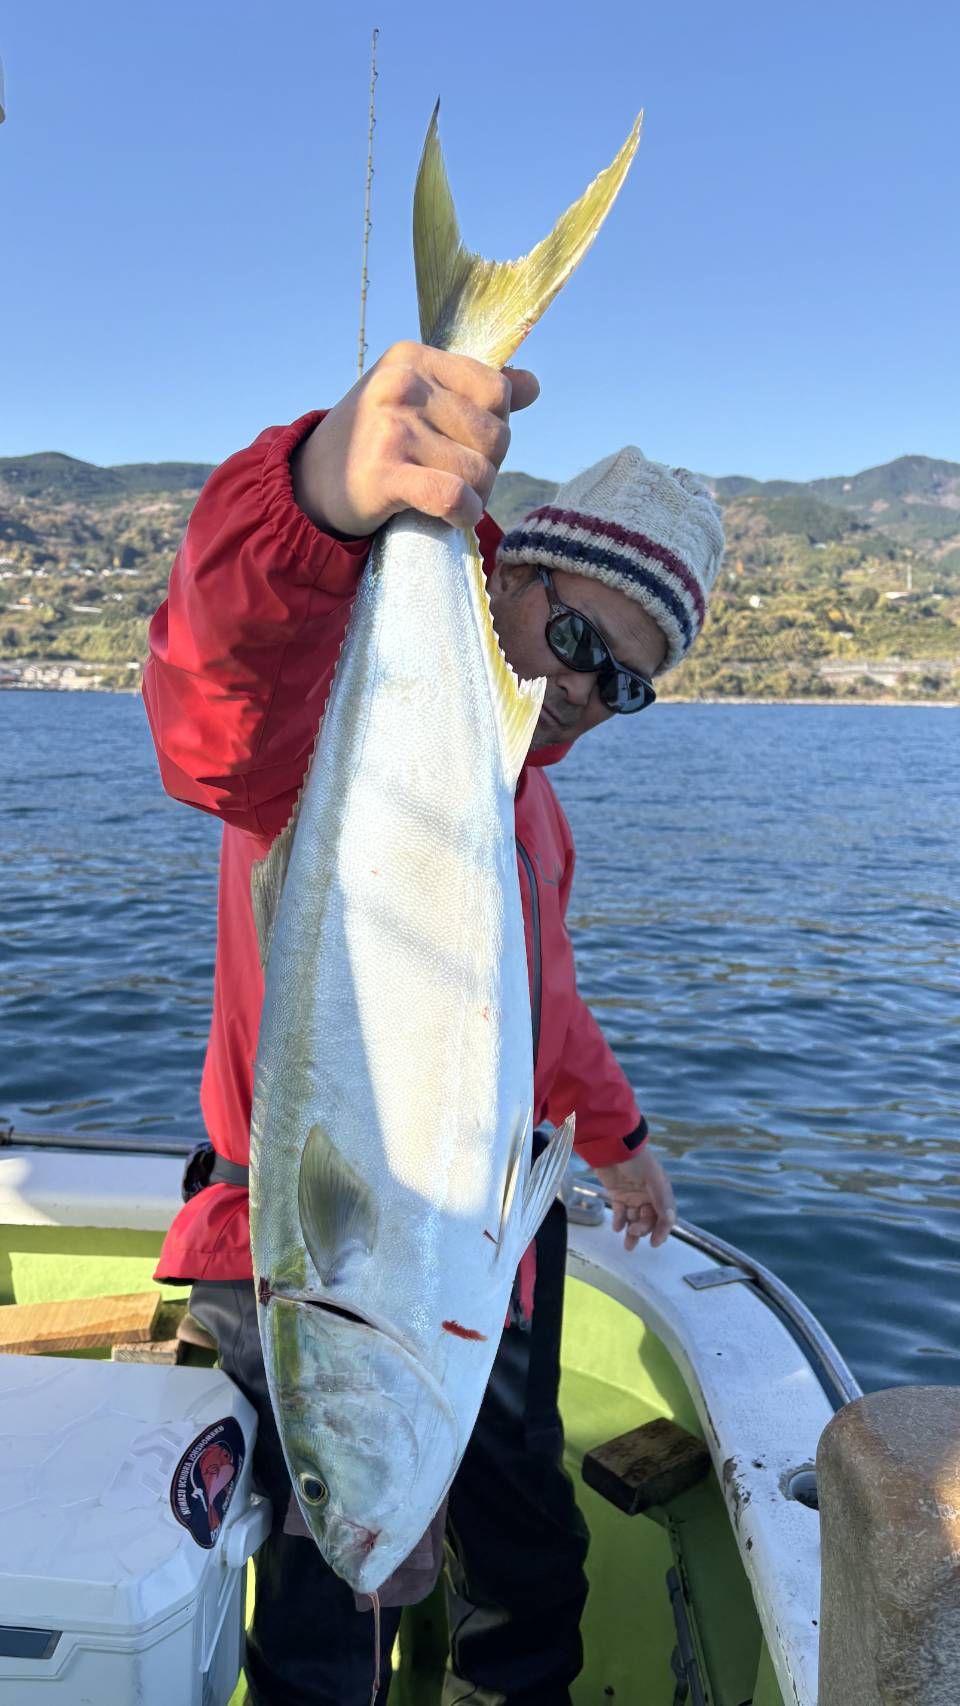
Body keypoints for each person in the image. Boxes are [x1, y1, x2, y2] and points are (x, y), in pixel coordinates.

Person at [143, 341, 725, 1706]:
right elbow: (213, 698)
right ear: (510, 574)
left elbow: (545, 1016)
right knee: (313, 1605)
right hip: (308, 1254)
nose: (583, 687)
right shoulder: (320, 735)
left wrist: (622, 1137)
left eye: (625, 681)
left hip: (482, 1258)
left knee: (526, 1551)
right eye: (576, 639)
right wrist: (317, 495)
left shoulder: (528, 811)